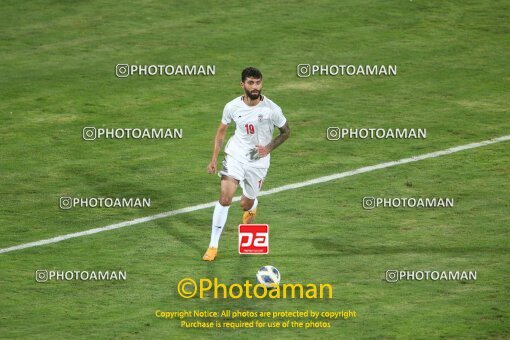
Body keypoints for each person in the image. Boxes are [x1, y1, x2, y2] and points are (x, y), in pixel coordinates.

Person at [203, 67, 291, 261]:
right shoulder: (232, 107)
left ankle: (252, 205)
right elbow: (221, 132)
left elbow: (286, 132)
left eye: (258, 82)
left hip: (258, 163)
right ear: (242, 84)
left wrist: (269, 148)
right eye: (250, 83)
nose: (255, 87)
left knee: (245, 204)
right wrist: (213, 159)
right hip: (236, 156)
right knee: (225, 199)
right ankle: (213, 246)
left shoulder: (272, 109)